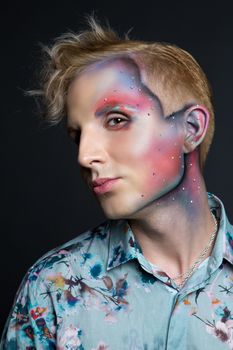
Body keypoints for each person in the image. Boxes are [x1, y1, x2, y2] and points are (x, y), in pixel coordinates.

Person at [1, 16, 233, 350]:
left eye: (117, 120)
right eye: (77, 135)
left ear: (191, 128)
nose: (85, 156)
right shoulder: (52, 287)